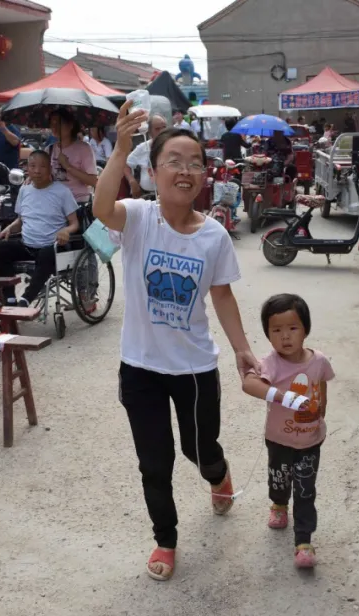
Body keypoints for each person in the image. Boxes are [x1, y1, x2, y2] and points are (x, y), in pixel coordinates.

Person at [93, 101, 260, 582]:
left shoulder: (213, 236)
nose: (185, 171)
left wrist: (242, 349)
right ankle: (165, 539)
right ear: (153, 171)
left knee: (199, 449)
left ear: (205, 175)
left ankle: (218, 472)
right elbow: (101, 207)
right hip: (141, 368)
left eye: (195, 163)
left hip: (193, 369)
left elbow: (222, 296)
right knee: (155, 462)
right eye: (174, 162)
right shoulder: (139, 218)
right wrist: (121, 148)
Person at [241, 294, 334, 569]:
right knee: (280, 481)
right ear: (268, 334)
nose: (285, 337)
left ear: (305, 328)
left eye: (292, 328)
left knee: (305, 490)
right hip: (279, 439)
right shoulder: (271, 362)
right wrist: (284, 398)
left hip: (310, 441)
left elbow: (322, 387)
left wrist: (321, 412)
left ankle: (303, 541)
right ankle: (279, 505)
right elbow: (249, 384)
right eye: (276, 330)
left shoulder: (319, 361)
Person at [0, 151, 79, 307]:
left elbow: (74, 223)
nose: (37, 171)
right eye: (33, 166)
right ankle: (10, 298)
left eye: (42, 166)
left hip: (51, 246)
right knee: (1, 248)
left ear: (50, 169)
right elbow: (21, 220)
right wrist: (9, 228)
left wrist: (66, 231)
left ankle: (26, 299)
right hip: (27, 244)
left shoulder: (62, 191)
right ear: (27, 169)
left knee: (47, 254)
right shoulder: (24, 190)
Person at [49, 109, 98, 204]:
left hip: (77, 202)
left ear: (70, 125)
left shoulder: (84, 148)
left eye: (59, 123)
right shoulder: (50, 149)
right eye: (52, 124)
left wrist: (68, 167)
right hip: (54, 203)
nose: (55, 127)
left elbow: (93, 181)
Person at [125, 113, 169, 198]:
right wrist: (132, 181)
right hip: (147, 195)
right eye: (157, 129)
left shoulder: (173, 146)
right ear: (150, 131)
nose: (162, 131)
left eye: (164, 127)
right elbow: (126, 165)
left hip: (167, 195)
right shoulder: (142, 147)